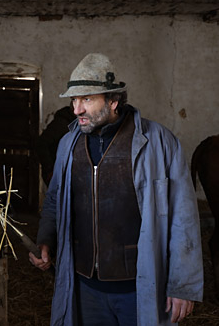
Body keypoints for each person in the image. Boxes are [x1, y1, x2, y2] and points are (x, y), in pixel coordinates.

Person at [29, 53, 203, 325]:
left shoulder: (159, 143)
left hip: (139, 288)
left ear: (113, 100)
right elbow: (54, 200)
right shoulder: (68, 145)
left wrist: (182, 285)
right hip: (85, 287)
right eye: (74, 100)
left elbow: (183, 217)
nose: (76, 110)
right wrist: (45, 240)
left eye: (86, 99)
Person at [35, 104, 76, 186]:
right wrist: (50, 169)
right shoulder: (62, 124)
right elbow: (41, 144)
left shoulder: (75, 124)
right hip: (58, 174)